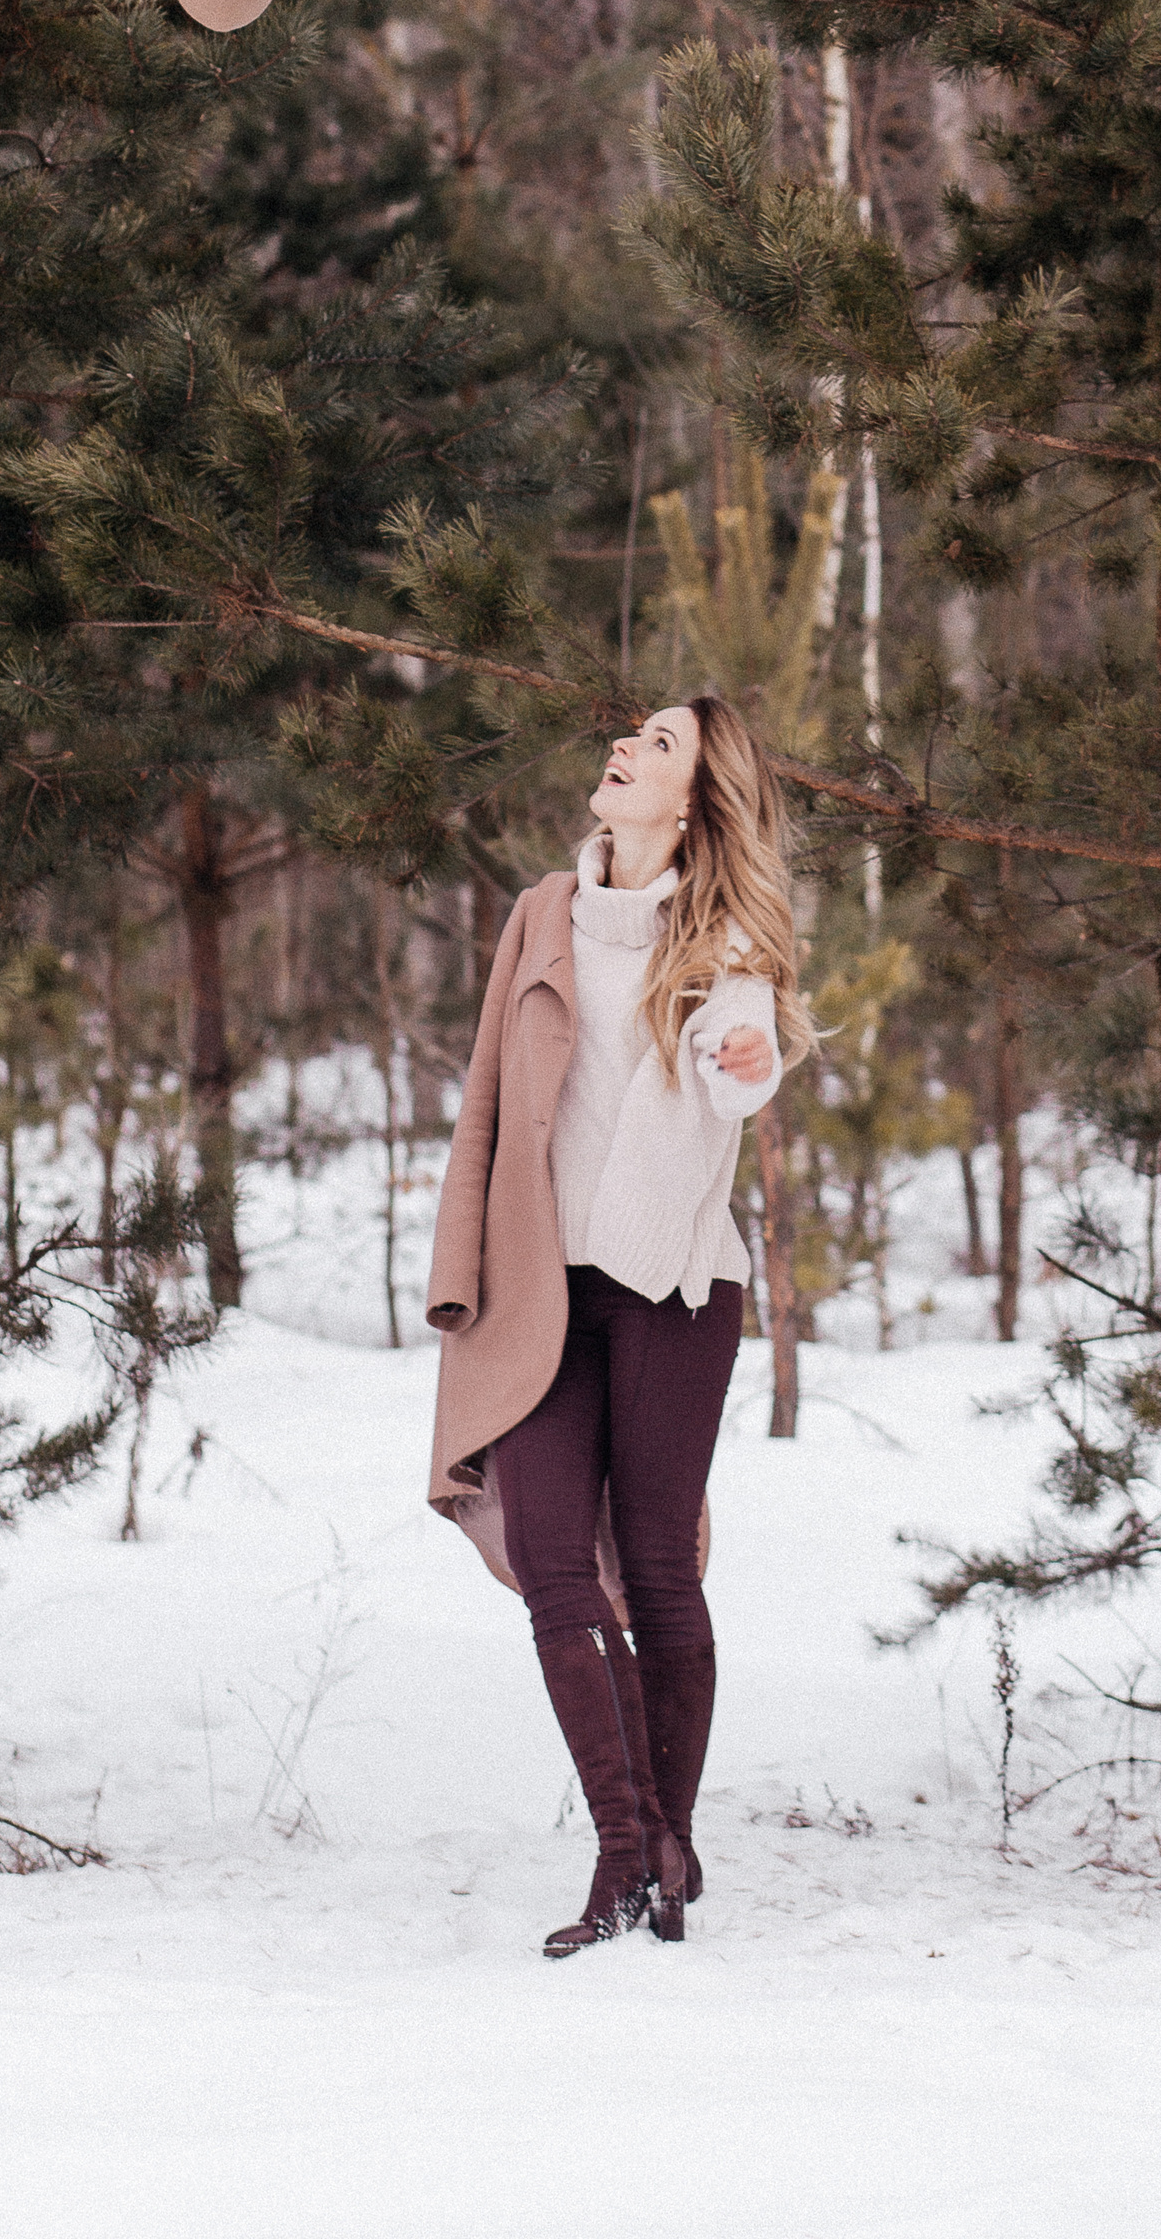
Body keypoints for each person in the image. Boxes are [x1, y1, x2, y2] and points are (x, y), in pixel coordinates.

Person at [425, 691, 816, 1954]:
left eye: (659, 746)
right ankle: (626, 1849)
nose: (624, 751)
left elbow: (732, 1046)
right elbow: (487, 1095)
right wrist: (460, 1265)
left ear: (697, 797)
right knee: (551, 1569)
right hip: (539, 1284)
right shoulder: (542, 915)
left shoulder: (729, 940)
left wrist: (742, 1061)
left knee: (652, 1568)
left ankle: (666, 1847)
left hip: (674, 1289)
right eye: (629, 735)